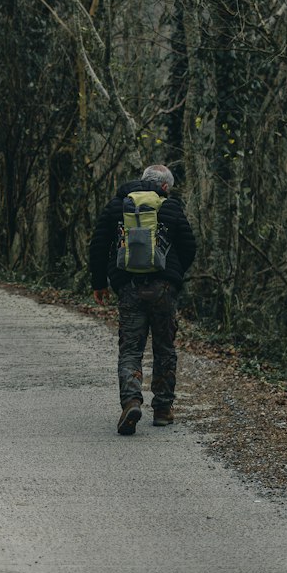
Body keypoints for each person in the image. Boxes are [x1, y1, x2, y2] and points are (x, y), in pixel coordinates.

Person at [89, 163, 196, 436]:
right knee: (164, 348)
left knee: (131, 349)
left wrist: (99, 283)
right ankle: (162, 409)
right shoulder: (170, 208)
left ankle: (132, 401)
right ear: (164, 187)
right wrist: (173, 276)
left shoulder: (118, 206)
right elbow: (189, 246)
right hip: (163, 290)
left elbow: (99, 245)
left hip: (129, 287)